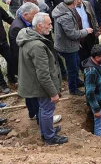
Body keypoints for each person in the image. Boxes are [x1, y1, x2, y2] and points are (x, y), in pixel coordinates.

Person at [16, 12, 68, 145]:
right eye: (49, 24)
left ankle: (47, 131)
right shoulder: (37, 46)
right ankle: (50, 138)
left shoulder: (28, 35)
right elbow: (43, 74)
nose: (51, 26)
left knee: (43, 109)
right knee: (46, 110)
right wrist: (53, 92)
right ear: (39, 26)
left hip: (34, 82)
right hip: (41, 85)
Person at [52, 0, 93, 96]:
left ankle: (77, 81)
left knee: (76, 62)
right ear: (74, 2)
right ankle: (73, 89)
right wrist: (86, 31)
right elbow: (72, 34)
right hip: (67, 46)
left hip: (68, 44)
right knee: (72, 68)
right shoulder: (66, 16)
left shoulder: (62, 9)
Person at [83, 44, 101, 136]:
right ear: (97, 57)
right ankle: (98, 143)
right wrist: (96, 110)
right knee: (100, 126)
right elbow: (89, 93)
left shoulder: (98, 64)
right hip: (100, 103)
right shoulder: (91, 71)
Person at [73, 0, 100, 64]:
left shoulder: (87, 4)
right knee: (82, 54)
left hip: (90, 33)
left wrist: (96, 29)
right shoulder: (71, 8)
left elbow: (93, 17)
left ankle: (94, 66)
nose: (79, 1)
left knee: (92, 52)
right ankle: (85, 68)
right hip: (80, 35)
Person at [0, 6, 14, 93]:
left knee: (11, 59)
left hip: (2, 41)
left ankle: (11, 77)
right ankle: (3, 84)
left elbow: (7, 18)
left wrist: (18, 23)